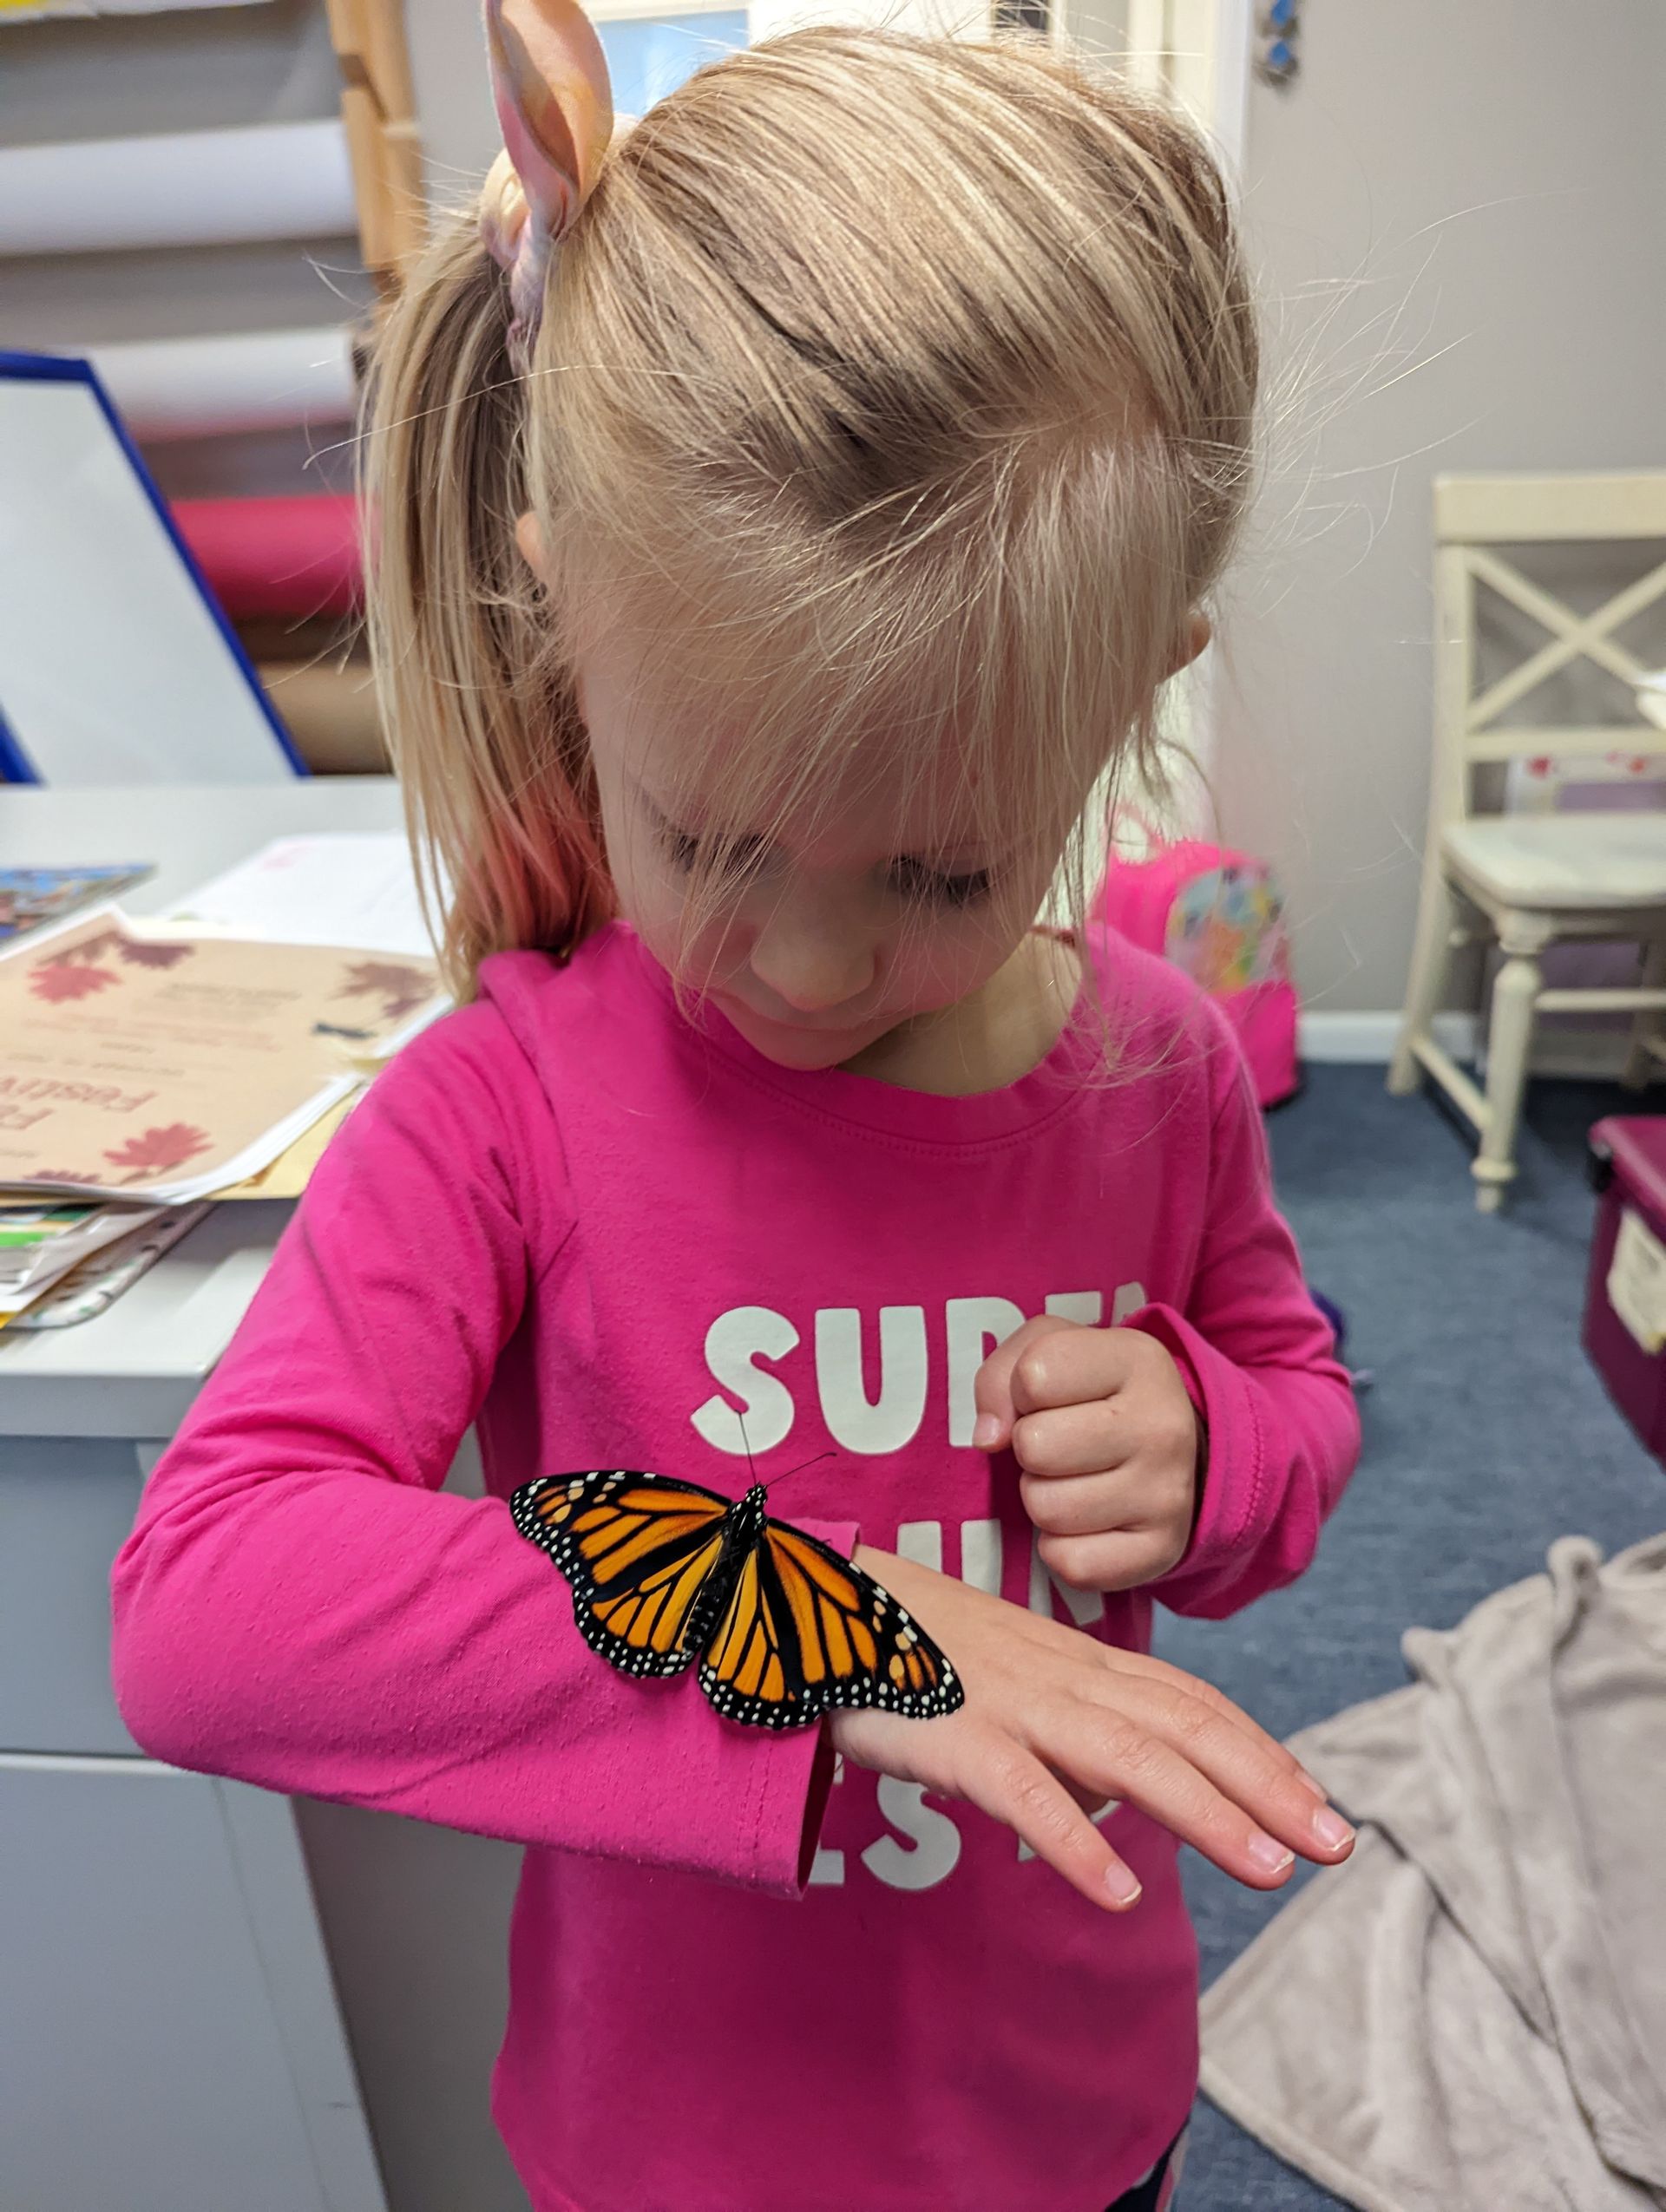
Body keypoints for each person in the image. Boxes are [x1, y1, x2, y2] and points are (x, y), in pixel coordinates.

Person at [110, 6, 1361, 2207]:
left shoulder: (1160, 1069)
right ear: (562, 627)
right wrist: (835, 1635)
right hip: (685, 2148)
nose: (801, 966)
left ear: (1127, 707)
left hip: (1078, 2111)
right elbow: (205, 1607)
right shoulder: (505, 1106)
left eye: (944, 874)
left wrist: (1213, 1445)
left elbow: (1297, 1400)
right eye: (708, 843)